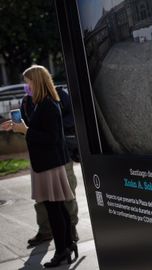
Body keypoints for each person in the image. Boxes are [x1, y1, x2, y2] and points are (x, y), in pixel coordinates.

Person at [1, 65, 78, 267]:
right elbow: (36, 131)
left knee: (55, 210)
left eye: (29, 83)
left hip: (50, 164)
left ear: (37, 82)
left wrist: (25, 130)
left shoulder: (48, 105)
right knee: (58, 208)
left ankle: (62, 250)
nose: (27, 87)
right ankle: (68, 245)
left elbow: (51, 138)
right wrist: (17, 127)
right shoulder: (42, 103)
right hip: (46, 163)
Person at [21, 84, 79, 246]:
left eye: (29, 81)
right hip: (39, 157)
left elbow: (72, 116)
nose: (27, 86)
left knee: (66, 194)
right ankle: (45, 231)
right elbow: (28, 126)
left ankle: (71, 229)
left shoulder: (57, 96)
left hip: (60, 154)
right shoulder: (26, 101)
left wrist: (54, 126)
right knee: (42, 197)